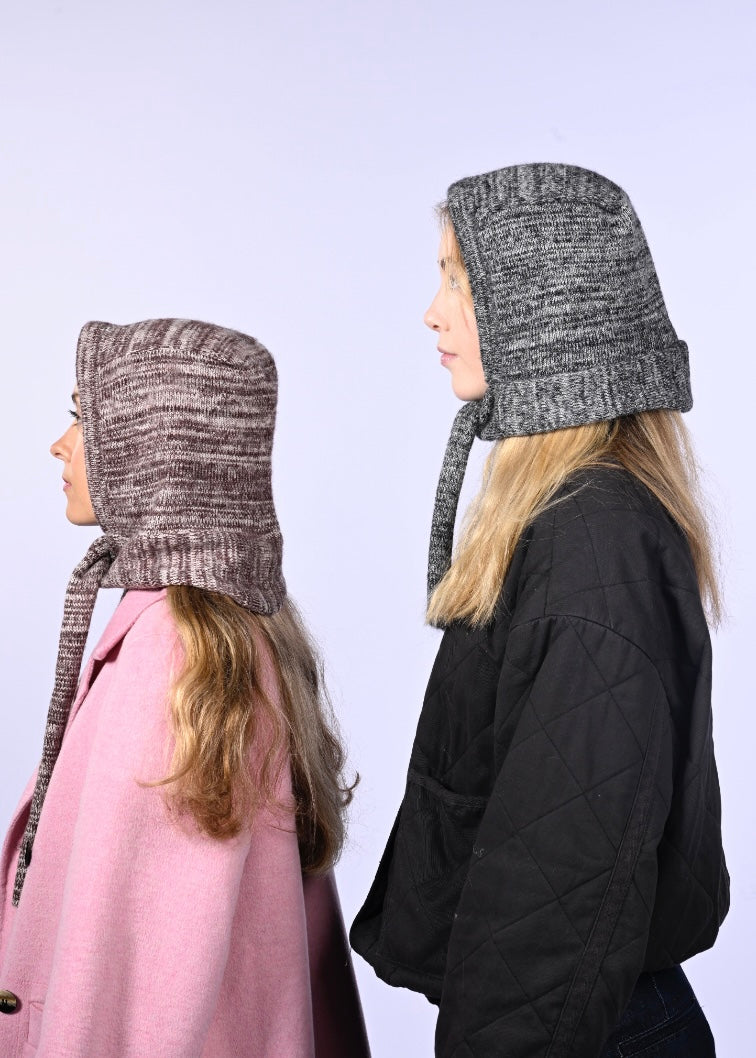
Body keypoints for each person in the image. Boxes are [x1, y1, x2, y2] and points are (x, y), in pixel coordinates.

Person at [350, 163, 729, 1057]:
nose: (433, 313)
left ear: (544, 308)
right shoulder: (568, 519)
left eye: (460, 280)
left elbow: (565, 877)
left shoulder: (593, 541)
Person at [0, 319, 371, 1058]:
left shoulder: (174, 658)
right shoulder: (215, 630)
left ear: (153, 447)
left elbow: (134, 986)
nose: (60, 444)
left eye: (83, 418)